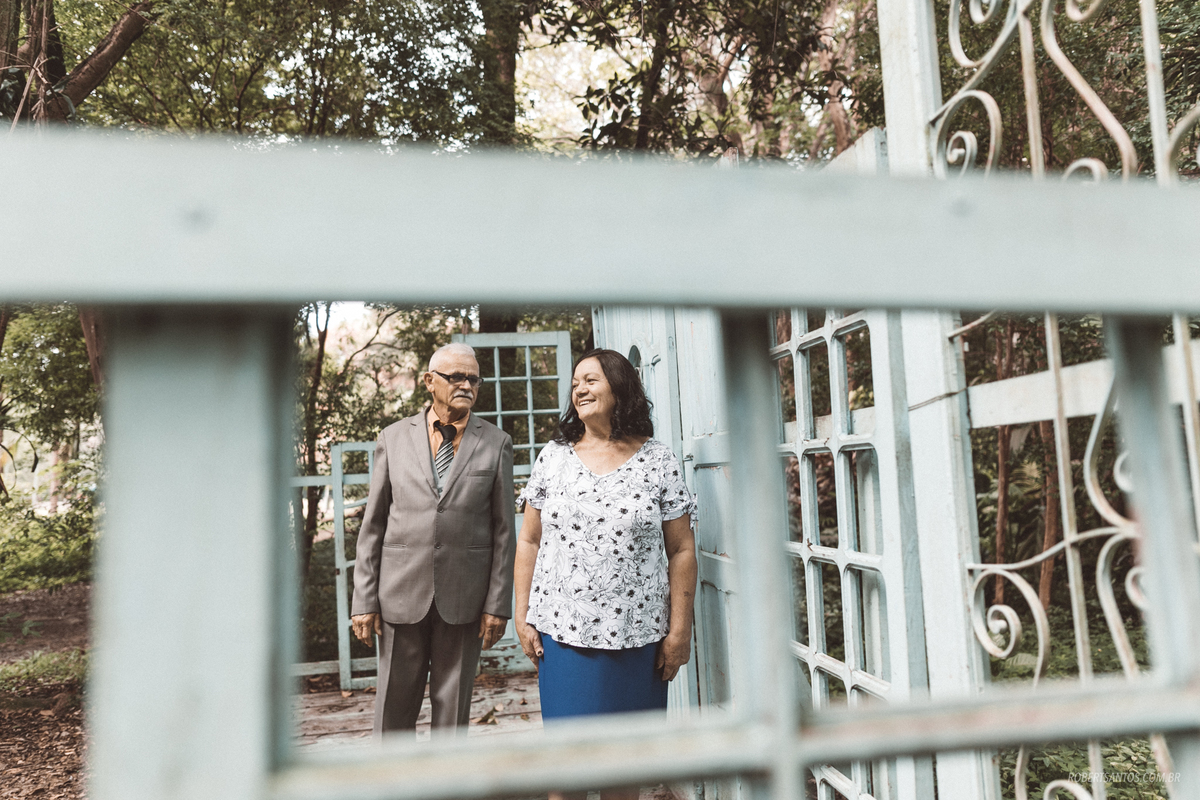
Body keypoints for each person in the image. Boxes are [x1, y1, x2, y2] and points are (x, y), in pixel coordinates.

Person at [514, 348, 697, 746]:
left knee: (632, 760)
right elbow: (529, 539)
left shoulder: (658, 461)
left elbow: (682, 549)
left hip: (639, 639)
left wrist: (680, 631)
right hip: (563, 637)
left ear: (619, 387)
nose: (579, 389)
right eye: (575, 383)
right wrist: (521, 615)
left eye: (590, 380)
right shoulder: (553, 458)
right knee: (570, 762)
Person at [351, 342, 515, 738]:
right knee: (393, 711)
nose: (466, 385)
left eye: (473, 379)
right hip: (400, 593)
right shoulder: (392, 438)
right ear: (429, 381)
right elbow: (373, 525)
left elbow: (504, 530)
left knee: (452, 714)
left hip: (464, 598)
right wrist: (364, 600)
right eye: (456, 377)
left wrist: (497, 605)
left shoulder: (496, 443)